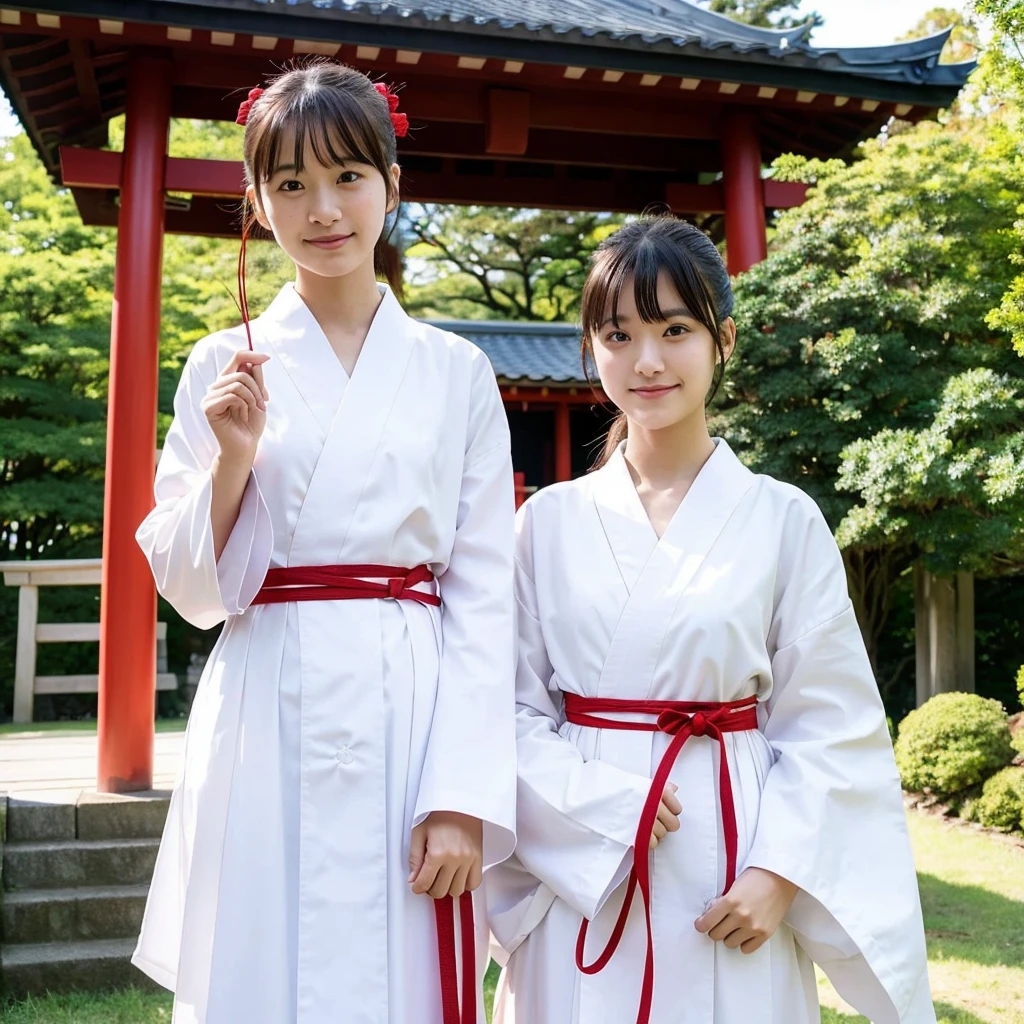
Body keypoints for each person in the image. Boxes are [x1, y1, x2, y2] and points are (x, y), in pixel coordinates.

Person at [133, 59, 516, 1024]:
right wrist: (230, 463)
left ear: (392, 184)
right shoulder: (223, 364)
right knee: (260, 961)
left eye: (348, 175)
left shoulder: (458, 371)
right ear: (258, 204)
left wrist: (464, 789)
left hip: (411, 701)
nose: (323, 207)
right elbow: (190, 586)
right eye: (291, 184)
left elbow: (485, 591)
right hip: (271, 693)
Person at [485, 215, 933, 1024]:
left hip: (735, 861)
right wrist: (591, 805)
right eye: (618, 334)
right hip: (587, 864)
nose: (647, 360)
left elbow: (832, 723)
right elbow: (504, 709)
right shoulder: (544, 523)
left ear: (721, 339)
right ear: (592, 349)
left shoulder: (782, 519)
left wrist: (780, 876)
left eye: (675, 329)